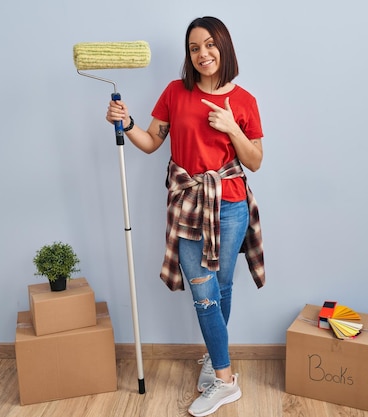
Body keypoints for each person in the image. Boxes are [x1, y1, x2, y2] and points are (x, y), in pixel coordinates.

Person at [106, 16, 265, 417]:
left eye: (209, 45)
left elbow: (256, 161)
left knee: (222, 286)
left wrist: (231, 127)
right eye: (194, 48)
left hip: (230, 205)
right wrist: (127, 122)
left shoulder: (244, 101)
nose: (202, 54)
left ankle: (218, 364)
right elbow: (151, 142)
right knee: (204, 292)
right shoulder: (176, 92)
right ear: (188, 55)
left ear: (223, 47)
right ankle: (227, 379)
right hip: (189, 206)